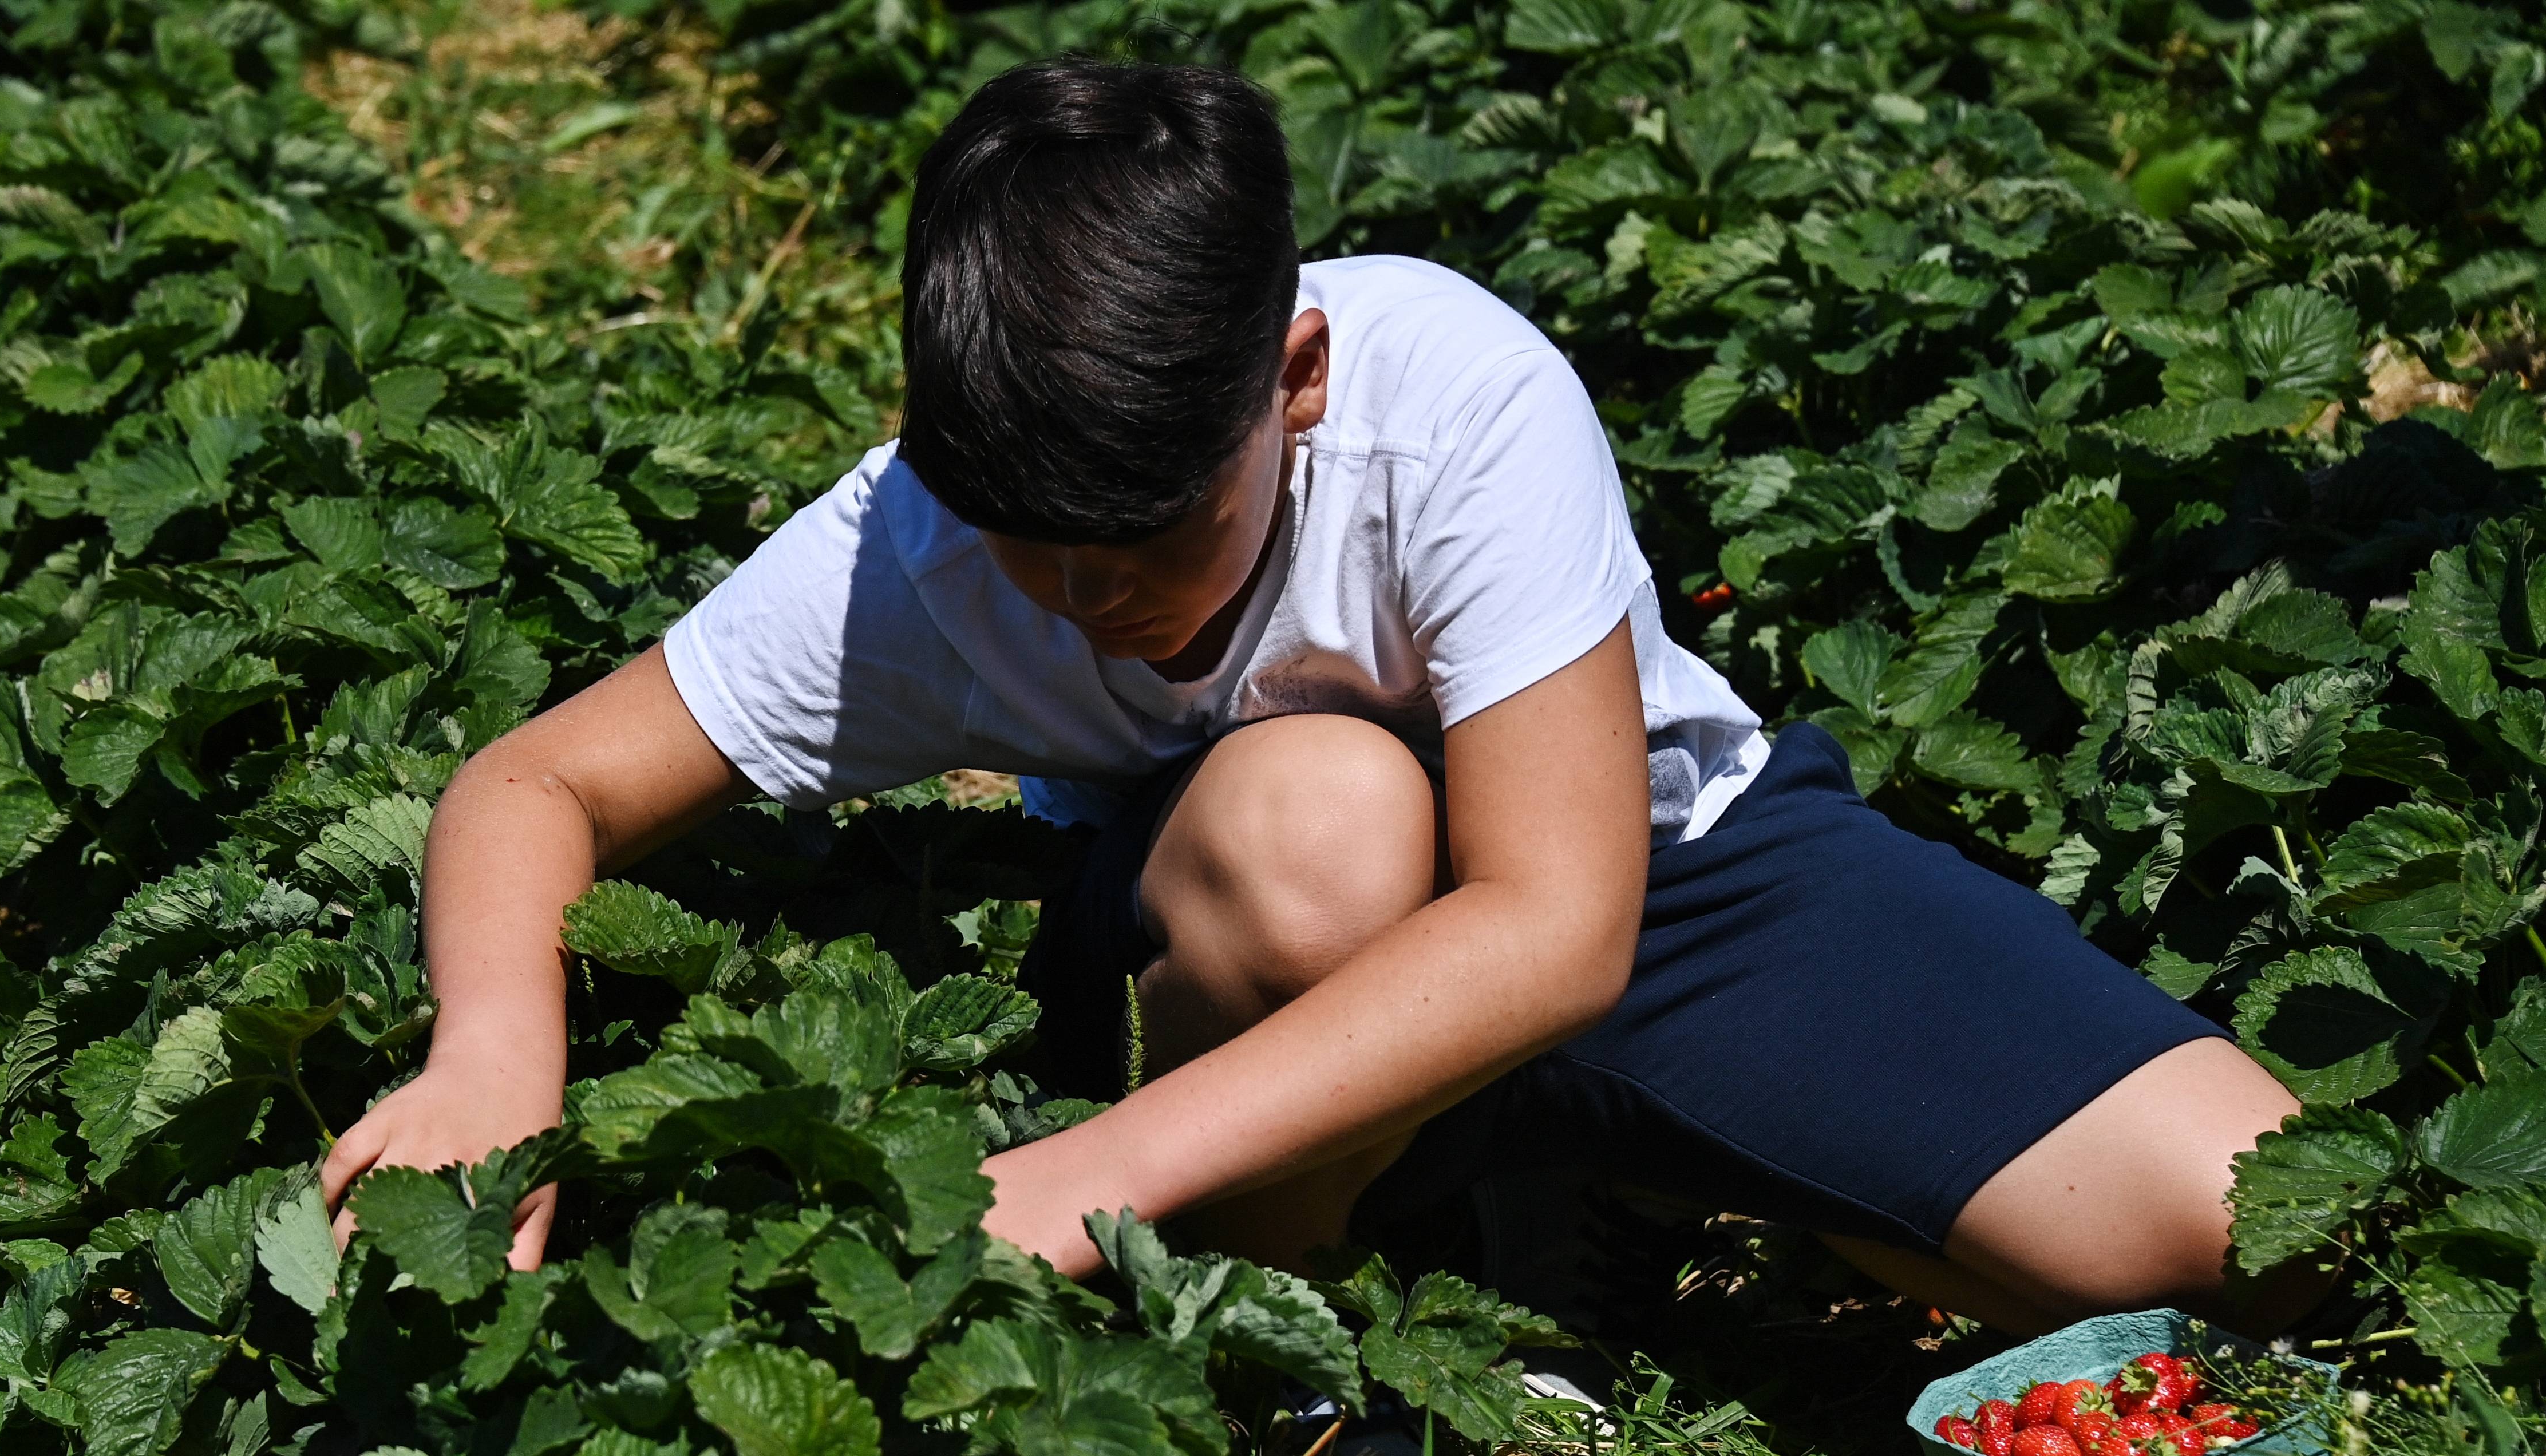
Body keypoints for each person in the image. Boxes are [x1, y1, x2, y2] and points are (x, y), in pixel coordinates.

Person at [319, 56, 2315, 1343]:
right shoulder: (917, 541)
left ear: (1294, 377)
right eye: (1036, 542)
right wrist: (498, 1045)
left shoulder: (1454, 395)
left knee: (2240, 1223)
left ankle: (1574, 1171)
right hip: (1261, 940)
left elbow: (1558, 921)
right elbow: (537, 784)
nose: (1094, 597)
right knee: (1321, 815)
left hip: (1651, 887)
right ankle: (1283, 1332)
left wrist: (1083, 1175)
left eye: (1148, 531)